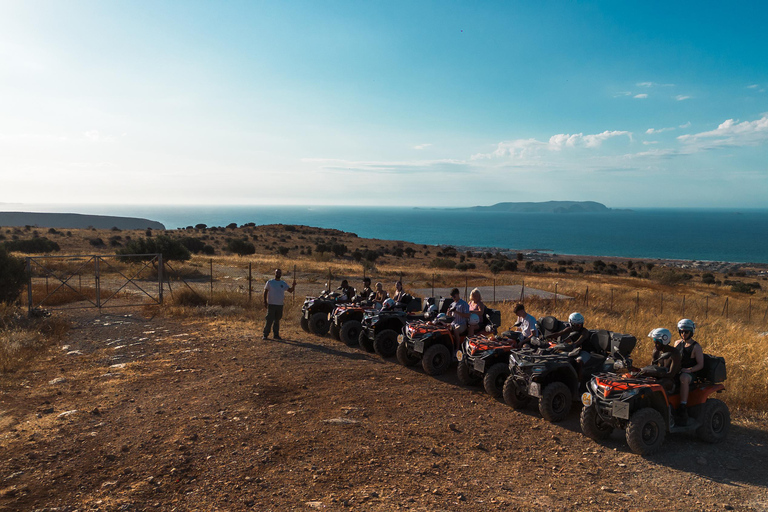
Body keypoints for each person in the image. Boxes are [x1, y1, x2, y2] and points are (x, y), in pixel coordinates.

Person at [674, 318, 704, 425]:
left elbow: (700, 364)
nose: (683, 334)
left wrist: (689, 370)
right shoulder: (677, 343)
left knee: (684, 378)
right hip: (677, 370)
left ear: (691, 332)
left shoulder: (696, 347)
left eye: (686, 332)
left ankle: (683, 405)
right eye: (681, 331)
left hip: (690, 373)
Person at [642, 328, 682, 394]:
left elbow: (671, 374)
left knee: (655, 386)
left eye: (657, 343)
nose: (655, 345)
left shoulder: (675, 354)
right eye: (654, 342)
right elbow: (652, 367)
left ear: (664, 341)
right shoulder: (656, 351)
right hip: (659, 377)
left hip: (671, 380)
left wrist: (656, 376)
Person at [263, 268, 296, 340]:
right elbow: (265, 292)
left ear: (281, 274)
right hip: (271, 304)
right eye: (277, 272)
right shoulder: (270, 282)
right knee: (269, 320)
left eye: (279, 273)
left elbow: (290, 290)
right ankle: (265, 334)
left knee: (277, 320)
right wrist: (265, 301)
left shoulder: (283, 283)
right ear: (275, 273)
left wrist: (293, 286)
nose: (278, 274)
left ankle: (276, 335)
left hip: (279, 305)